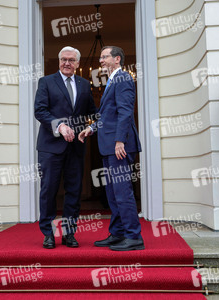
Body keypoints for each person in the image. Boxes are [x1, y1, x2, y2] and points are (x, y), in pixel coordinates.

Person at [79, 46, 143, 251]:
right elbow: (107, 115)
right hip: (108, 146)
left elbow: (125, 112)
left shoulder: (123, 78)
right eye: (100, 57)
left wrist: (119, 141)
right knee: (113, 193)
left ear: (117, 59)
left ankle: (134, 237)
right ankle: (118, 233)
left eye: (104, 57)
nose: (101, 60)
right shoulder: (112, 81)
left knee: (122, 192)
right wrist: (90, 128)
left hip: (118, 146)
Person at [34, 46, 96, 249]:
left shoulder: (85, 85)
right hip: (50, 147)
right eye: (63, 59)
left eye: (71, 60)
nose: (66, 63)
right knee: (48, 190)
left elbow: (92, 113)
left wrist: (92, 127)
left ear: (78, 63)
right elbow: (40, 111)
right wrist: (59, 126)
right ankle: (48, 233)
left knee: (74, 191)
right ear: (59, 61)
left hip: (75, 148)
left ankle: (70, 233)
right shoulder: (46, 82)